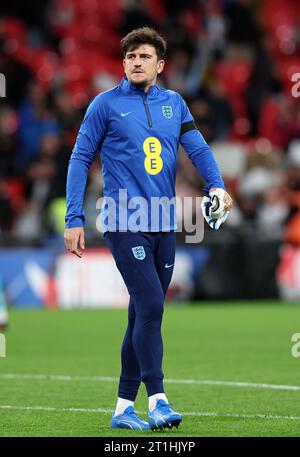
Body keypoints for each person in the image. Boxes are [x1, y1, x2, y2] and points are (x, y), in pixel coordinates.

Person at [64, 27, 233, 431]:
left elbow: (198, 148)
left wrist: (218, 185)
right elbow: (79, 159)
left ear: (160, 65)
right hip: (124, 221)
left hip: (164, 221)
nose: (136, 62)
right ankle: (158, 399)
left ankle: (123, 408)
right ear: (123, 64)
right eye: (130, 57)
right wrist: (74, 218)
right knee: (153, 306)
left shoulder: (175, 103)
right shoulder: (104, 105)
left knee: (142, 312)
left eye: (144, 57)